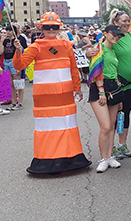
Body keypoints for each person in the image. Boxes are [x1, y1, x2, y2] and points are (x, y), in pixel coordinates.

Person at [12, 12, 91, 174]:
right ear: (42, 28)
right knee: (47, 128)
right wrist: (18, 51)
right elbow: (20, 65)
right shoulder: (35, 47)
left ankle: (70, 158)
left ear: (58, 27)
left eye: (54, 27)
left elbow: (73, 68)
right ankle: (47, 160)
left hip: (65, 95)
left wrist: (77, 88)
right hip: (45, 98)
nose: (51, 30)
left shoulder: (67, 45)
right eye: (47, 27)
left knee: (67, 126)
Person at [87, 9, 131, 160]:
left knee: (125, 113)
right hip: (116, 84)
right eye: (123, 21)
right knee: (111, 119)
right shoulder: (112, 37)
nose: (127, 23)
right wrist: (89, 52)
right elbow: (97, 50)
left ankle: (122, 144)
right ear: (115, 22)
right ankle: (110, 147)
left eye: (128, 20)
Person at [88, 25, 125, 173]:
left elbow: (114, 71)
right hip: (100, 87)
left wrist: (118, 95)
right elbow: (97, 70)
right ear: (105, 33)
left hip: (113, 87)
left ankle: (109, 156)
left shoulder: (113, 50)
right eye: (113, 34)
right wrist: (101, 91)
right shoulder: (98, 49)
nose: (116, 37)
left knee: (112, 125)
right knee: (105, 127)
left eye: (118, 36)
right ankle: (103, 158)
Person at [0, 24, 27, 110]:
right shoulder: (5, 41)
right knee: (11, 84)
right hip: (6, 61)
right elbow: (0, 52)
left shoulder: (17, 40)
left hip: (14, 61)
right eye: (7, 30)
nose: (8, 32)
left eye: (10, 31)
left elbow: (20, 51)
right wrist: (1, 41)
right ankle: (13, 102)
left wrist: (19, 66)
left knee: (18, 83)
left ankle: (20, 102)